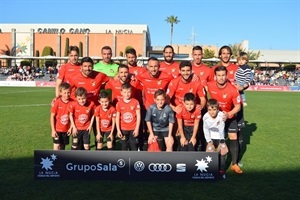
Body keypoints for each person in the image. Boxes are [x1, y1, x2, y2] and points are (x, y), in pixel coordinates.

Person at [207, 66, 242, 174]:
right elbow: (201, 87)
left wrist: (229, 114)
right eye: (219, 75)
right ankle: (214, 163)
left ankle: (234, 164)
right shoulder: (210, 85)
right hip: (216, 117)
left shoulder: (232, 89)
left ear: (226, 76)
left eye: (223, 75)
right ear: (215, 76)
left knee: (233, 136)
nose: (221, 78)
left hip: (229, 116)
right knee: (214, 138)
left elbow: (238, 106)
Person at [167, 60, 206, 151]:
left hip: (192, 114)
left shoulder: (197, 82)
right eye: (183, 71)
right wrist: (174, 108)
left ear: (191, 71)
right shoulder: (174, 82)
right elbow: (167, 98)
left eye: (188, 70)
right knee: (178, 137)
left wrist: (201, 106)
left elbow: (203, 99)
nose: (185, 73)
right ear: (180, 71)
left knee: (194, 139)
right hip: (179, 114)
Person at [203, 98, 228, 178]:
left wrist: (222, 142)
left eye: (214, 109)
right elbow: (206, 130)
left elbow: (221, 130)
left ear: (218, 109)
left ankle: (221, 171)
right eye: (209, 110)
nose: (212, 112)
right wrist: (209, 142)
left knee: (222, 153)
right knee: (210, 153)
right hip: (211, 138)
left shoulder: (221, 116)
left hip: (220, 138)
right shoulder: (205, 117)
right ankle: (211, 170)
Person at [115, 83, 141, 151]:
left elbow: (138, 115)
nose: (127, 94)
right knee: (124, 147)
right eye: (125, 92)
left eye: (128, 92)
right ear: (121, 92)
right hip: (123, 129)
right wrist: (118, 130)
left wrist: (137, 129)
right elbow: (117, 117)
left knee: (134, 147)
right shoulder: (119, 103)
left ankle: (134, 161)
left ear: (131, 92)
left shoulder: (135, 102)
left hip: (133, 129)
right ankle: (125, 161)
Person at [50, 82, 73, 150]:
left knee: (63, 146)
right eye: (64, 93)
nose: (67, 95)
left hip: (66, 129)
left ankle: (61, 159)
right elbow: (52, 116)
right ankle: (55, 159)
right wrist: (53, 130)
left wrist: (70, 128)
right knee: (56, 145)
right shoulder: (57, 102)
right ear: (60, 93)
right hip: (57, 129)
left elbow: (74, 117)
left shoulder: (72, 103)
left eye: (68, 92)